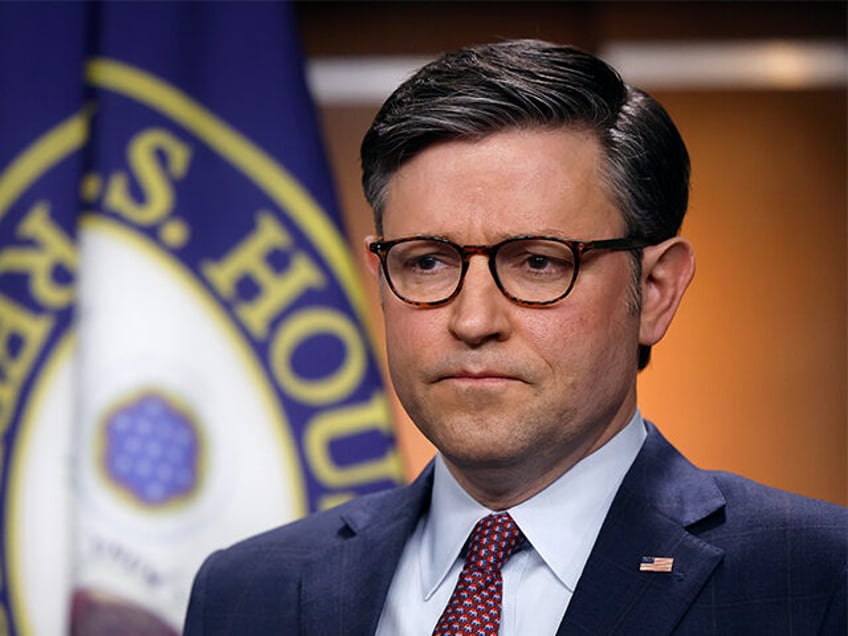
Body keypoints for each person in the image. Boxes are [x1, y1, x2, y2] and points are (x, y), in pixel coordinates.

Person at [183, 39, 846, 635]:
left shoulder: (815, 579)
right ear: (381, 280)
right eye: (428, 261)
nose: (474, 321)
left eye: (538, 261)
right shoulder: (248, 594)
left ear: (658, 291)